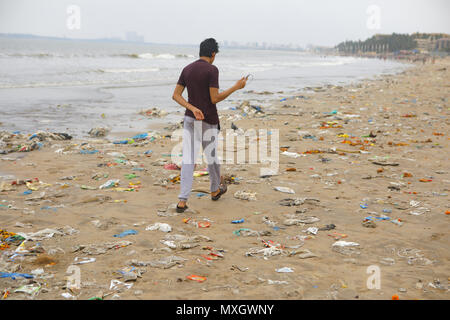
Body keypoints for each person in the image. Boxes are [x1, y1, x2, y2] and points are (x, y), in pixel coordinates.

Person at [172, 38, 247, 212]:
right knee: (212, 158)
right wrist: (236, 87)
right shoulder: (212, 70)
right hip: (208, 120)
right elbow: (215, 98)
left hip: (190, 119)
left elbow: (176, 95)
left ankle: (182, 201)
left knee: (188, 160)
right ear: (213, 54)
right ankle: (214, 190)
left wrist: (192, 108)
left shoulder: (187, 69)